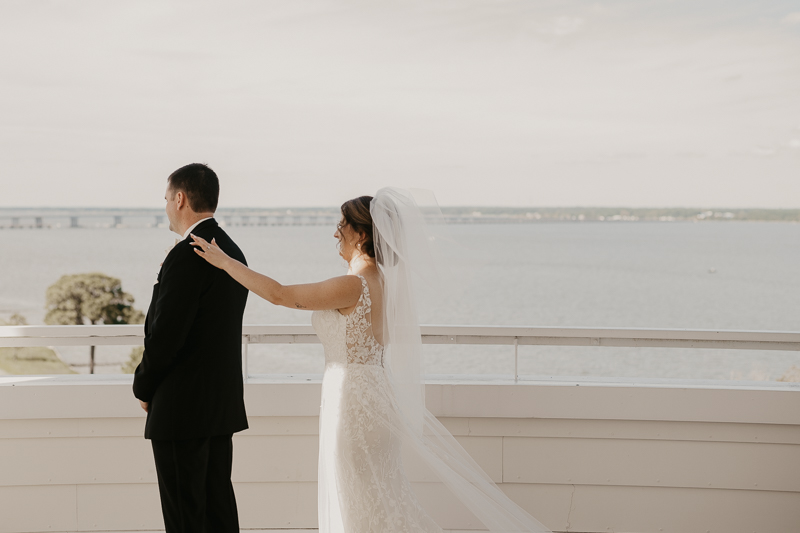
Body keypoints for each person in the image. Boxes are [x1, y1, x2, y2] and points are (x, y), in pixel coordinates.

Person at [191, 188, 550, 533]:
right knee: (381, 499)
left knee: (360, 502)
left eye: (342, 225)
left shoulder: (354, 285)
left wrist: (224, 262)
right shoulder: (383, 283)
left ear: (361, 234)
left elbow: (280, 295)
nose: (335, 232)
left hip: (353, 404)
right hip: (373, 394)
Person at [133, 163, 249, 533]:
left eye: (167, 198)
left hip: (182, 411)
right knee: (218, 513)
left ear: (180, 198)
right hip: (218, 406)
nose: (166, 206)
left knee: (185, 518)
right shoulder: (231, 250)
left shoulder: (188, 254)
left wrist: (144, 386)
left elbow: (166, 336)